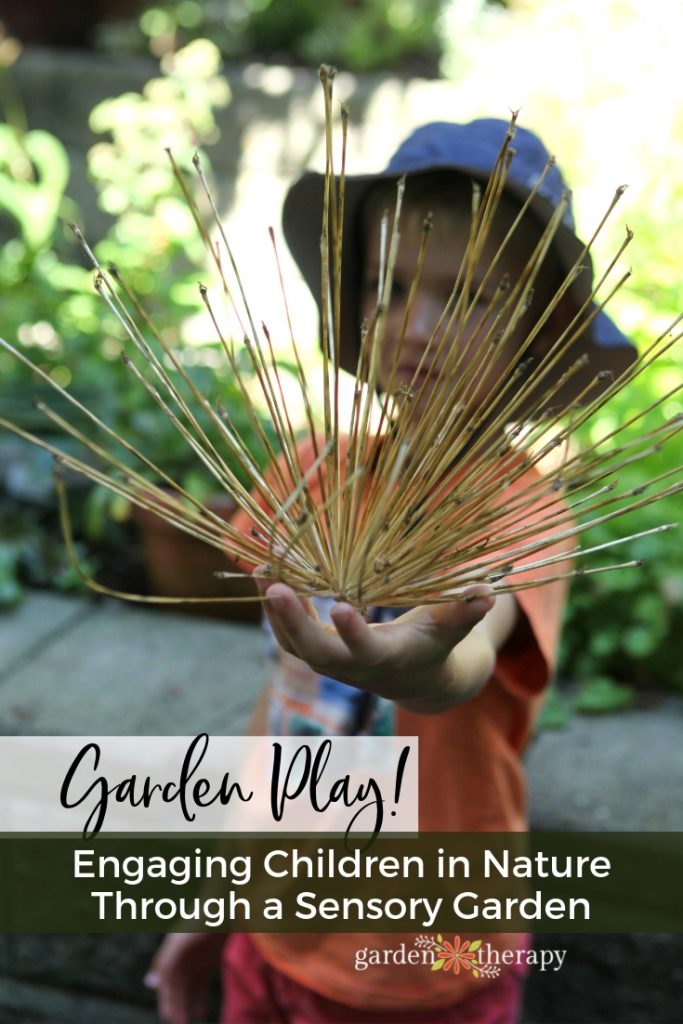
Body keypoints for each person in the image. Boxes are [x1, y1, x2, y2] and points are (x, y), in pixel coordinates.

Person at [147, 117, 636, 1023]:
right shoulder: (305, 478)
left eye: (470, 298)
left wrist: (417, 666)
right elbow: (281, 713)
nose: (415, 324)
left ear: (537, 332)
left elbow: (467, 656)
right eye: (389, 285)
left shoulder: (518, 514)